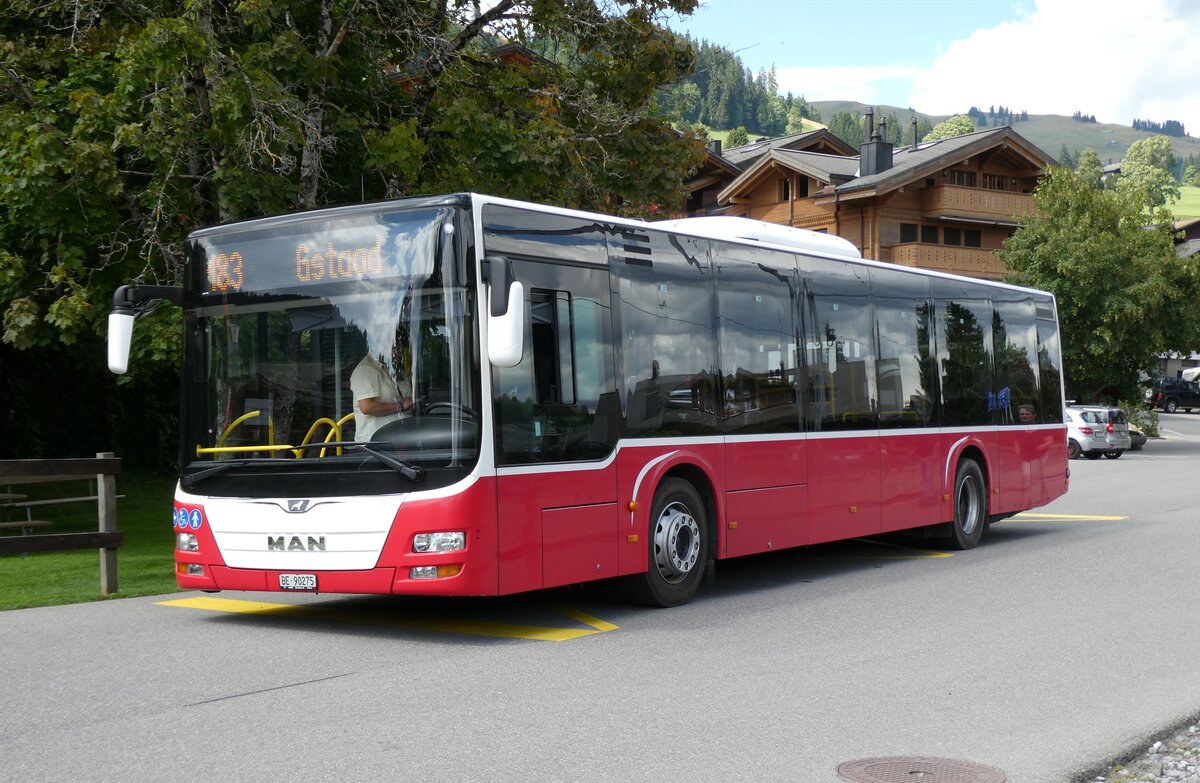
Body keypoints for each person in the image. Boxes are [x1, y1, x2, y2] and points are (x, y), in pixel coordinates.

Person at [350, 352, 413, 441]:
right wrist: (401, 406)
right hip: (376, 445)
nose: (398, 349)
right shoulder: (364, 369)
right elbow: (367, 407)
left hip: (403, 438)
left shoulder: (394, 367)